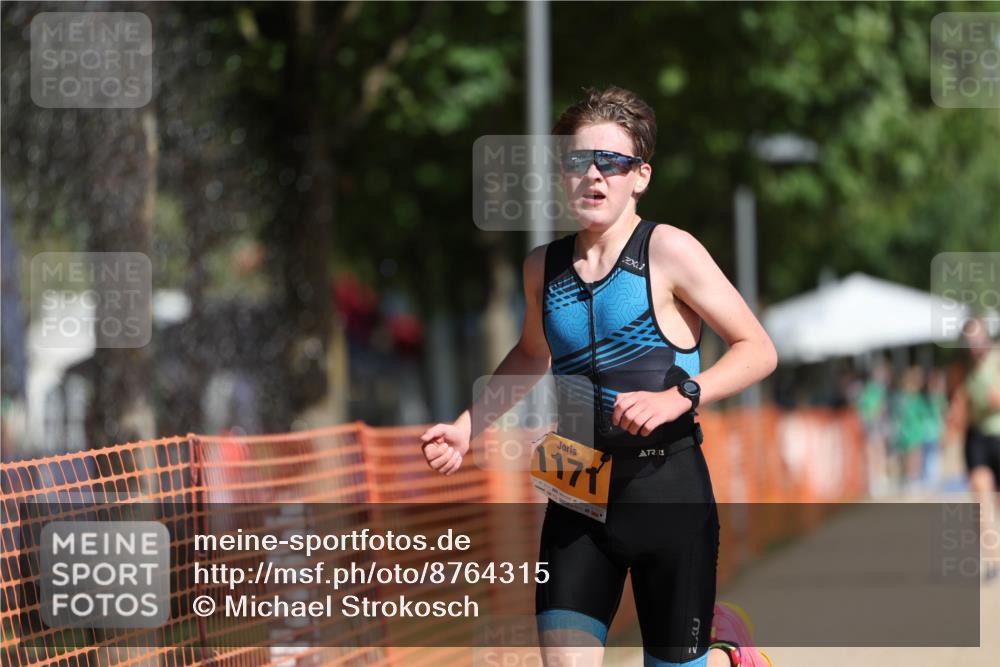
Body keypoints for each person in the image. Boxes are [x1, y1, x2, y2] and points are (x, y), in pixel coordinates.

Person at [420, 86, 777, 666]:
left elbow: (758, 349)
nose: (593, 175)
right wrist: (468, 426)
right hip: (575, 485)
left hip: (668, 487)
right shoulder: (543, 267)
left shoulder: (669, 251)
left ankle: (721, 647)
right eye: (577, 160)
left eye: (611, 162)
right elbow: (532, 355)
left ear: (640, 176)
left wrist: (682, 396)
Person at [954, 317, 1000, 583]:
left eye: (978, 338)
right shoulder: (962, 368)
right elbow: (961, 402)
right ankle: (993, 561)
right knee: (981, 497)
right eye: (969, 340)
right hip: (976, 437)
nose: (974, 345)